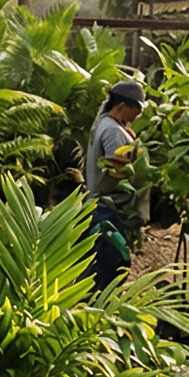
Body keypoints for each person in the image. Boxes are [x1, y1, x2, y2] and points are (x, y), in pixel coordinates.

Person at [84, 80, 144, 289]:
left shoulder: (105, 123)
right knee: (108, 268)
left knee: (100, 265)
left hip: (99, 207)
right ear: (122, 106)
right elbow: (116, 171)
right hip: (109, 210)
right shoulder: (113, 132)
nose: (137, 117)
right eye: (136, 111)